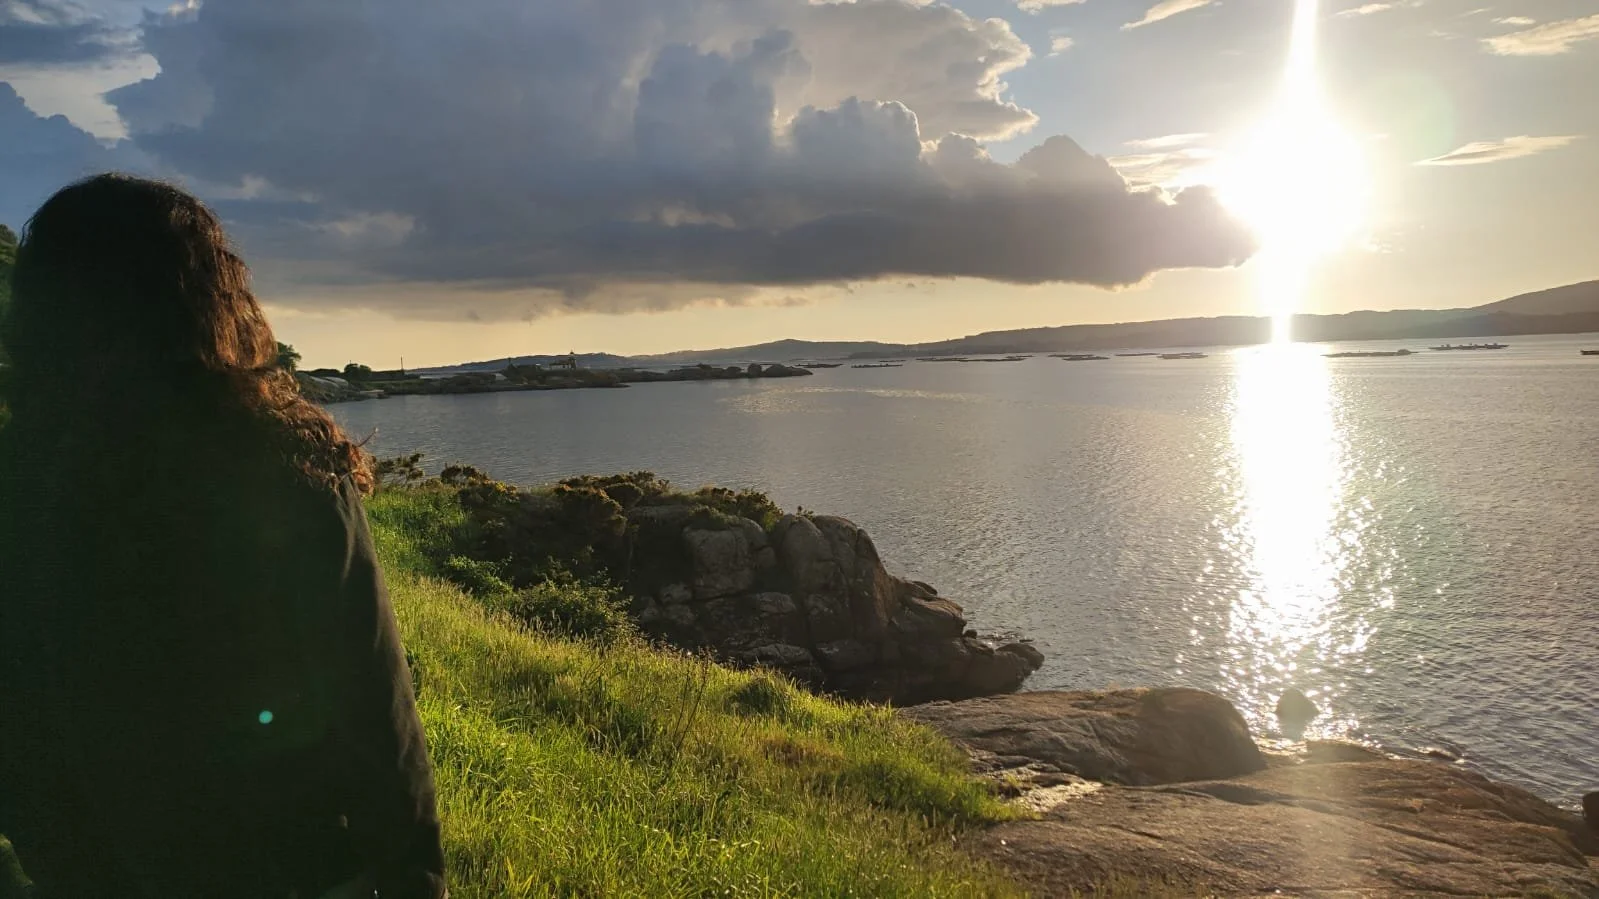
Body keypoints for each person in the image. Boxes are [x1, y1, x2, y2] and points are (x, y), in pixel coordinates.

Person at [0, 174, 446, 898]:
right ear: (211, 300)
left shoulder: (21, 478)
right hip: (288, 865)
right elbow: (373, 703)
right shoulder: (282, 464)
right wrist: (416, 879)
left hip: (96, 866)